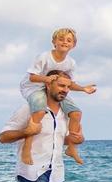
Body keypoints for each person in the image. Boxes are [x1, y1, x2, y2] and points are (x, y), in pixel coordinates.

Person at [19, 28, 96, 166]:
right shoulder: (44, 57)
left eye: (69, 40)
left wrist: (84, 89)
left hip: (55, 89)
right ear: (54, 42)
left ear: (74, 45)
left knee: (76, 113)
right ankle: (27, 147)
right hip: (34, 87)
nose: (64, 42)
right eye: (61, 39)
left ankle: (71, 147)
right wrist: (46, 79)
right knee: (40, 111)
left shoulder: (70, 63)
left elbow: (69, 84)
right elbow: (32, 77)